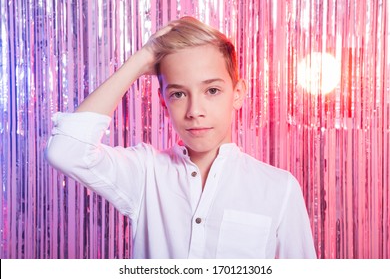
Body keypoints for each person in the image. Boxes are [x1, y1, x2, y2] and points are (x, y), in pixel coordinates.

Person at [45, 16, 317, 259]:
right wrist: (142, 59)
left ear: (237, 93)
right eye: (178, 94)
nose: (194, 111)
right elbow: (66, 151)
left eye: (211, 90)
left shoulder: (279, 189)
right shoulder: (146, 173)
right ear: (164, 103)